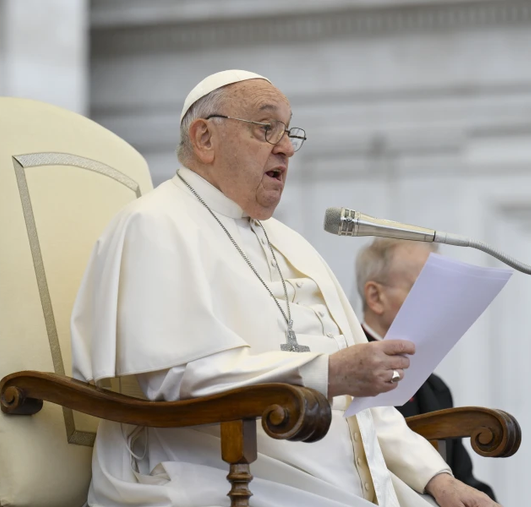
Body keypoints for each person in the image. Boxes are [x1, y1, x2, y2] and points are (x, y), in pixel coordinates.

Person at [71, 69, 500, 507]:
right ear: (204, 138)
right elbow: (177, 378)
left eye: (289, 130)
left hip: (334, 480)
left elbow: (362, 406)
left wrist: (438, 480)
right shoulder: (155, 224)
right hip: (222, 474)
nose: (287, 147)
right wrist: (325, 373)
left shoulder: (291, 243)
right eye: (265, 127)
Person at [356, 239, 497, 501]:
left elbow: (461, 480)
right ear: (376, 297)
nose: (439, 303)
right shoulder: (347, 379)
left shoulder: (435, 388)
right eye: (423, 289)